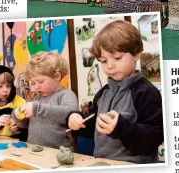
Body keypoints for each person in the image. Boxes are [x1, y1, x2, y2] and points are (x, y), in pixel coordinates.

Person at [66, 20, 164, 164]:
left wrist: (121, 127)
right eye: (103, 61)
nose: (110, 66)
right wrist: (75, 119)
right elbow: (91, 126)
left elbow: (154, 137)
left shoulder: (146, 92)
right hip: (103, 165)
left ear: (136, 54)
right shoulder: (103, 93)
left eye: (117, 58)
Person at [11, 51, 79, 150]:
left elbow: (69, 114)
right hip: (35, 151)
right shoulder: (37, 98)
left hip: (59, 153)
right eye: (33, 83)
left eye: (40, 81)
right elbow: (26, 124)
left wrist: (36, 108)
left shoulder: (66, 94)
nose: (36, 87)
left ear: (57, 76)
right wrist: (18, 117)